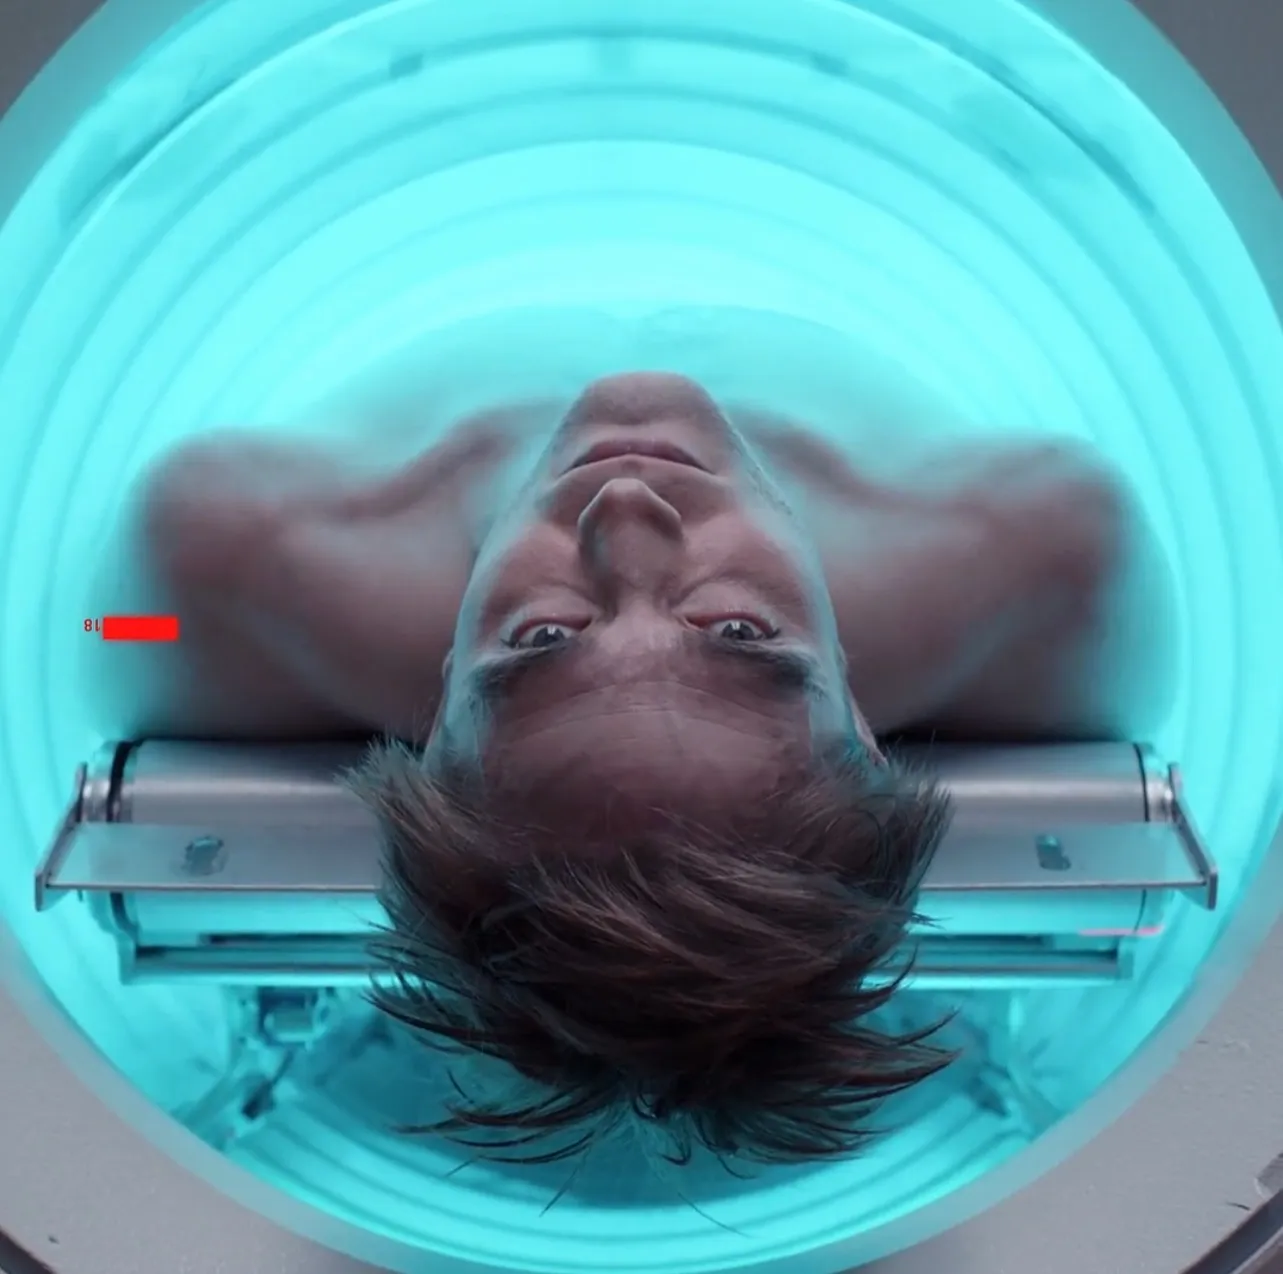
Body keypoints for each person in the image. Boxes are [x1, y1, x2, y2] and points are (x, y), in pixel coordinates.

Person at [92, 368, 1176, 1167]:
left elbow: (109, 629)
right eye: (740, 631)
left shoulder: (224, 559)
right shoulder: (1049, 563)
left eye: (541, 638)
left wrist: (149, 623)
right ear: (858, 710)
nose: (626, 512)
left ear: (435, 708)